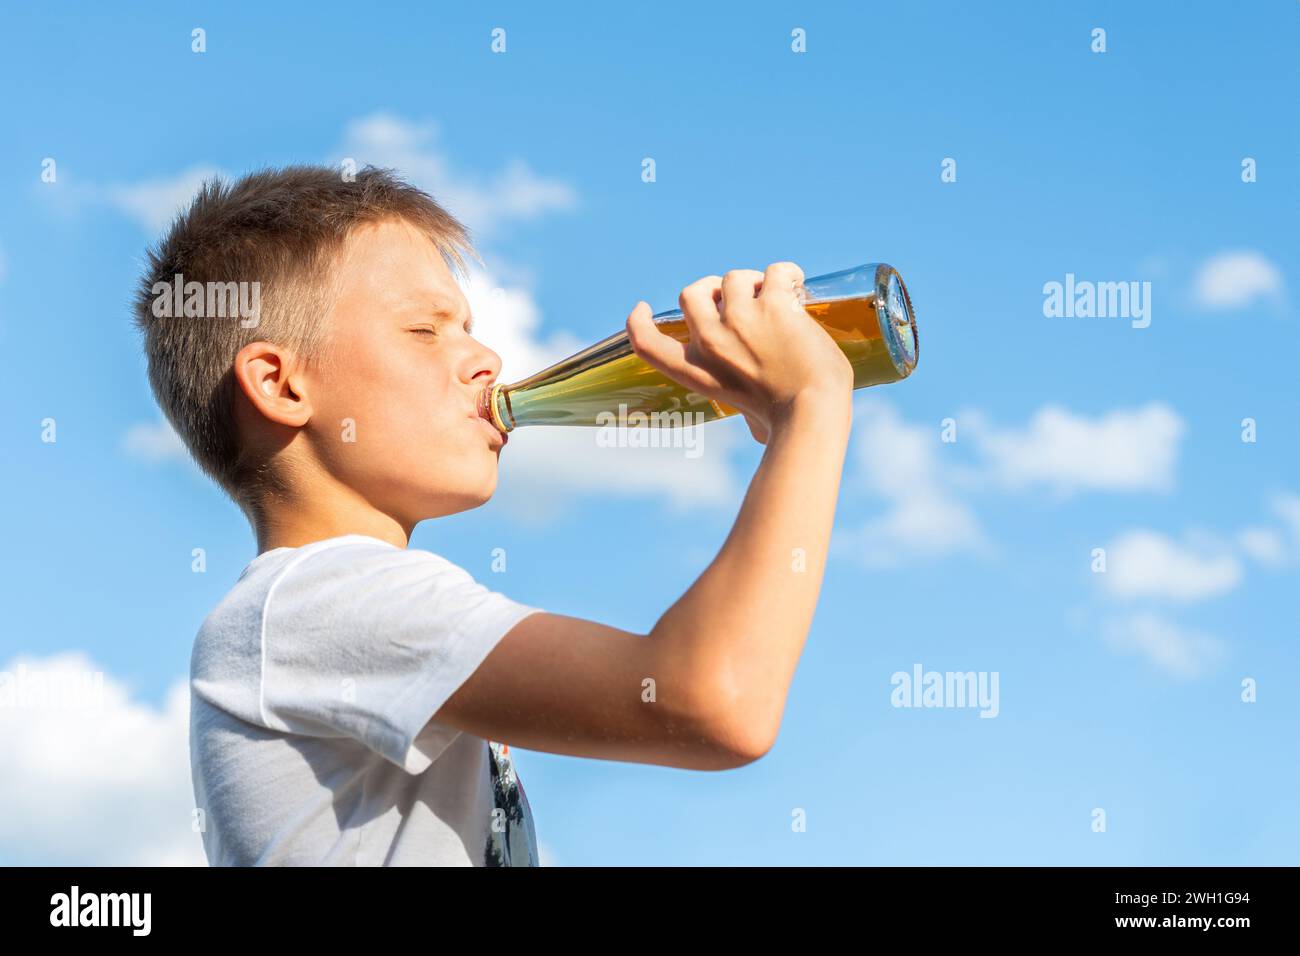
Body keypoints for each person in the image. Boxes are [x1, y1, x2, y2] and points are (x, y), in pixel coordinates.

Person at [134, 165, 853, 865]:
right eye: (425, 331)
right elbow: (714, 699)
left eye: (470, 327)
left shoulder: (318, 610)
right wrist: (811, 409)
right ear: (281, 384)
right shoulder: (322, 598)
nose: (486, 357)